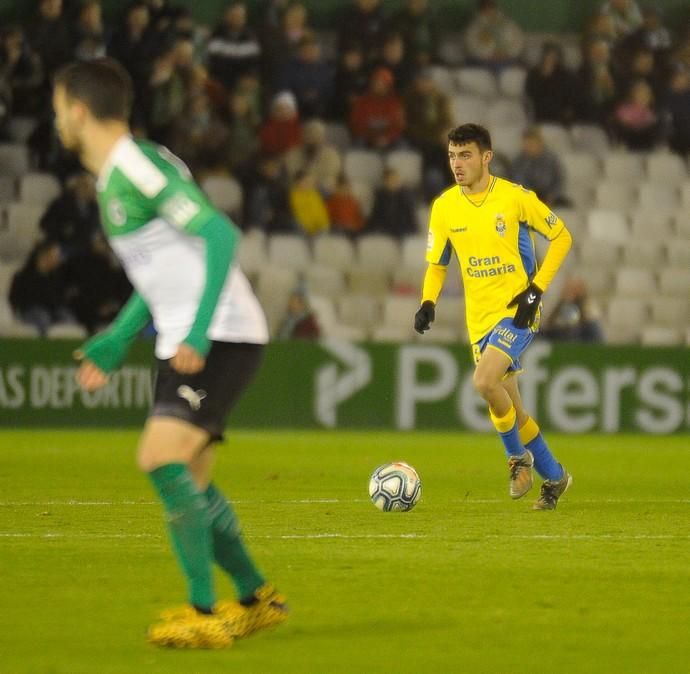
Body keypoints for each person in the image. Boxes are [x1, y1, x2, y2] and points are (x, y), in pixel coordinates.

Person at [52, 58, 287, 649]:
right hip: (181, 334)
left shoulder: (134, 167)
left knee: (160, 456)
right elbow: (161, 273)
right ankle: (258, 599)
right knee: (194, 479)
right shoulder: (127, 170)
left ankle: (203, 613)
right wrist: (116, 338)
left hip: (218, 333)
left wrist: (201, 331)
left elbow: (219, 234)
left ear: (79, 111)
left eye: (58, 109)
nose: (56, 120)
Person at [414, 123, 573, 510]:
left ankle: (517, 461)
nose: (457, 163)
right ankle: (555, 477)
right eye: (452, 156)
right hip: (479, 320)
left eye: (465, 155)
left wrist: (536, 291)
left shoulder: (514, 198)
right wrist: (428, 302)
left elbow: (562, 236)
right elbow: (437, 265)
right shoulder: (445, 207)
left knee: (484, 381)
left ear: (486, 157)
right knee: (513, 410)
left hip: (517, 311)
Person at [510, 127, 568, 207]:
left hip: (551, 199)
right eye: (527, 144)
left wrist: (552, 196)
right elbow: (518, 182)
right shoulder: (519, 162)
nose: (529, 147)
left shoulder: (552, 160)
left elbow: (559, 180)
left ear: (540, 142)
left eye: (532, 144)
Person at [542, 278, 604, 343]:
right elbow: (547, 329)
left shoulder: (590, 326)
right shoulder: (559, 324)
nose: (570, 292)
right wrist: (562, 301)